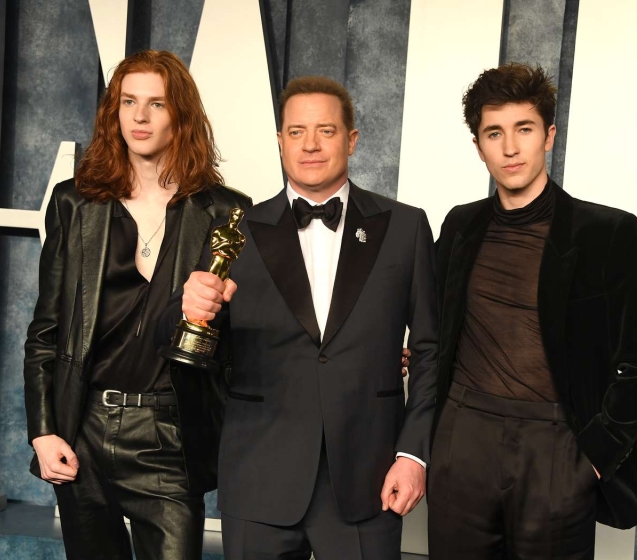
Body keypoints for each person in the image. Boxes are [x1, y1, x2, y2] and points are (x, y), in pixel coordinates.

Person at [159, 75, 438, 560]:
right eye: (296, 132)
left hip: (368, 479)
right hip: (257, 476)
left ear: (351, 139)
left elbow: (432, 350)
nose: (310, 144)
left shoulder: (405, 226)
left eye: (326, 131)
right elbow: (190, 337)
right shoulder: (235, 231)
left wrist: (413, 455)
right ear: (280, 141)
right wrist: (187, 308)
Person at [427, 62, 637, 559]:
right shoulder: (459, 226)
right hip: (462, 440)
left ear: (549, 136)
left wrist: (593, 459)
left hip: (556, 445)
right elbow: (431, 328)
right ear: (478, 146)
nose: (510, 148)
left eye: (524, 129)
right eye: (494, 133)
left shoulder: (605, 234)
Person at [23, 50, 251, 560]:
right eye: (128, 101)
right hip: (84, 427)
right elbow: (46, 330)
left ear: (182, 116)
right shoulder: (75, 203)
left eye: (156, 103)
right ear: (114, 111)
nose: (140, 117)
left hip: (170, 433)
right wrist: (43, 430)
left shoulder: (226, 212)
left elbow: (242, 341)